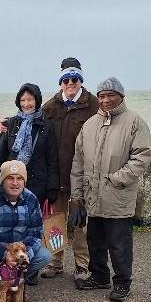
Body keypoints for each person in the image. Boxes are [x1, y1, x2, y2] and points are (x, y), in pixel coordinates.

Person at [71, 77, 151, 301]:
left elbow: (142, 156)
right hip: (92, 196)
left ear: (121, 97)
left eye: (110, 95)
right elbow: (78, 162)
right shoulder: (89, 125)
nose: (106, 100)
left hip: (118, 195)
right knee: (94, 241)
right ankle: (99, 276)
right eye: (102, 96)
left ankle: (122, 283)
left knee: (119, 244)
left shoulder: (134, 122)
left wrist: (117, 179)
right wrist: (76, 196)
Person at [39, 58, 99, 281]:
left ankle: (82, 265)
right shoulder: (49, 106)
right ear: (61, 81)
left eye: (75, 79)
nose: (70, 83)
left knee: (80, 224)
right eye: (66, 79)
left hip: (82, 176)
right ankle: (55, 263)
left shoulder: (94, 105)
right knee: (54, 222)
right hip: (56, 176)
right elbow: (34, 126)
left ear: (80, 80)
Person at [0, 160, 52, 297]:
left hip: (19, 251)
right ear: (2, 180)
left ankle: (14, 282)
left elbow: (36, 232)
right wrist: (5, 253)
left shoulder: (31, 199)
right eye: (10, 178)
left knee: (45, 256)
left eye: (19, 178)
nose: (15, 183)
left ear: (24, 181)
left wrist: (24, 256)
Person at [0, 83, 58, 205]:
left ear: (37, 100)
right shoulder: (10, 124)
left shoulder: (47, 126)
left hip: (37, 187)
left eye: (30, 99)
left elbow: (52, 160)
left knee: (34, 223)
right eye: (23, 100)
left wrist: (52, 189)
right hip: (12, 184)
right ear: (18, 102)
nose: (26, 104)